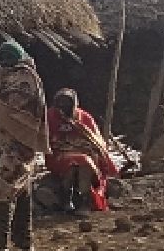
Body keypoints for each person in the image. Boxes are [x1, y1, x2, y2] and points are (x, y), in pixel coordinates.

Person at [0, 41, 49, 251]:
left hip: (19, 146)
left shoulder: (26, 78)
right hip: (7, 145)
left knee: (2, 189)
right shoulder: (3, 74)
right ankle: (24, 243)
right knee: (21, 192)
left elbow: (11, 104)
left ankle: (0, 246)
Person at [46, 88, 119, 216]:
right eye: (60, 103)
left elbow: (96, 142)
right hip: (58, 156)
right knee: (75, 164)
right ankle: (66, 198)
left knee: (84, 163)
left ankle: (84, 201)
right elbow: (44, 140)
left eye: (67, 103)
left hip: (86, 158)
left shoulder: (84, 118)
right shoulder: (48, 117)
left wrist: (83, 147)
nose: (63, 107)